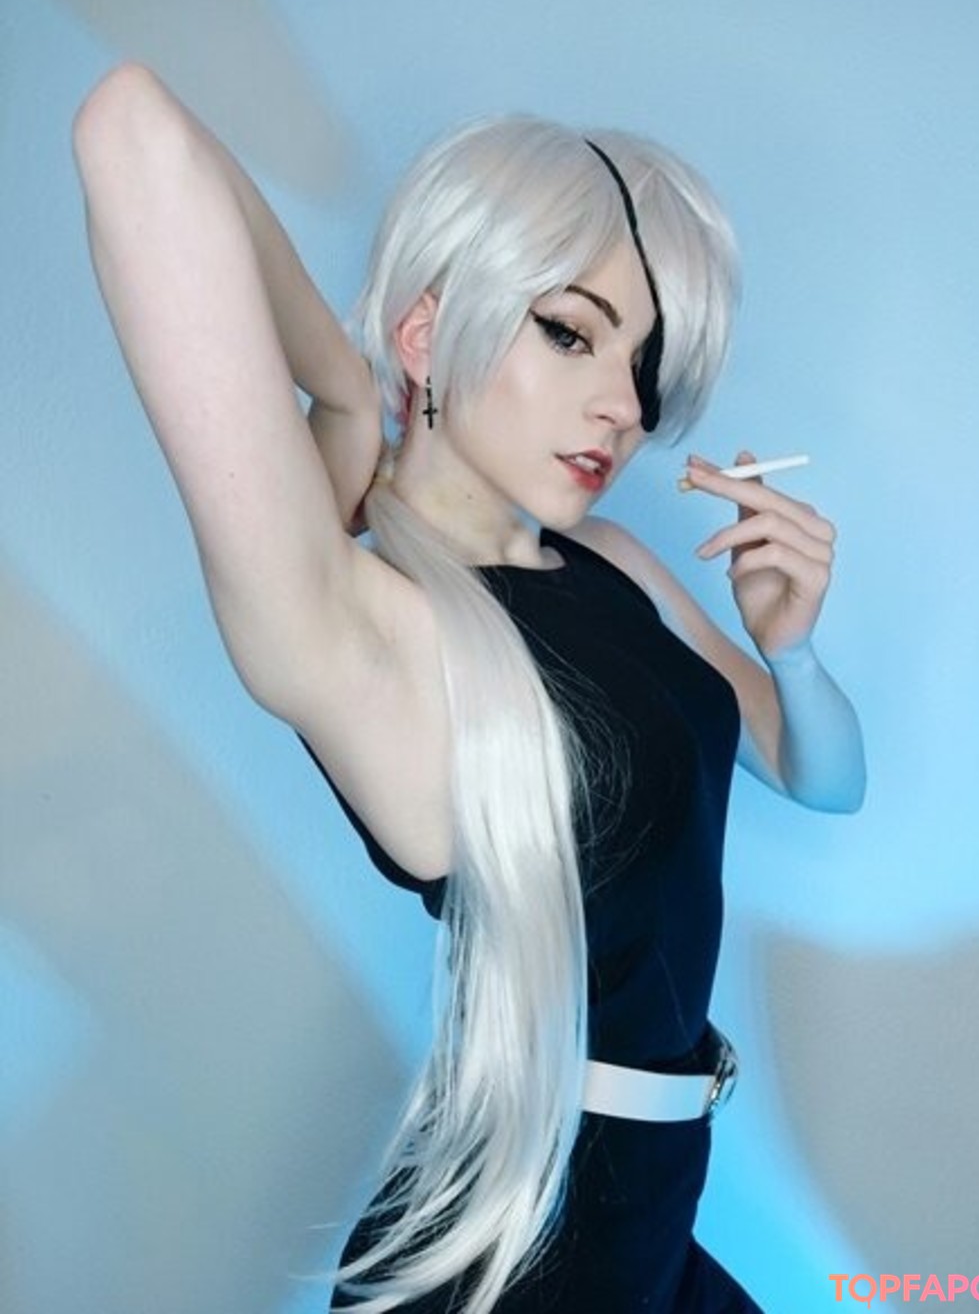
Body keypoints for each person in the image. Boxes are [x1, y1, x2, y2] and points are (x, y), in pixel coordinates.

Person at [73, 64, 865, 1314]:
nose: (623, 406)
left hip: (652, 1209)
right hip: (523, 1243)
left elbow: (825, 779)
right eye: (570, 331)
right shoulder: (366, 631)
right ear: (429, 332)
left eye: (645, 362)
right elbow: (132, 127)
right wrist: (347, 390)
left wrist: (792, 648)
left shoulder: (608, 560)